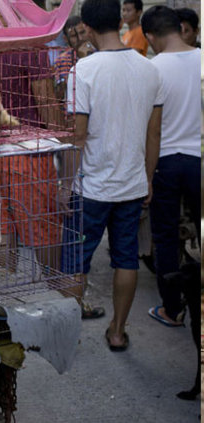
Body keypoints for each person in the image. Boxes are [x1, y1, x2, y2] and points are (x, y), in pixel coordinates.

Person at [61, 0, 162, 351]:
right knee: (125, 257)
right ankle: (118, 331)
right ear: (120, 21)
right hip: (132, 183)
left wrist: (65, 184)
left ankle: (69, 333)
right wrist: (147, 178)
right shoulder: (149, 69)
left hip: (90, 186)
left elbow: (78, 135)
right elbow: (154, 134)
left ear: (87, 28)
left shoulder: (83, 71)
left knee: (76, 259)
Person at [141, 5, 201, 400]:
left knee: (164, 237)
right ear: (181, 27)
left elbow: (153, 129)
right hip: (199, 160)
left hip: (166, 162)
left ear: (149, 36)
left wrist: (146, 179)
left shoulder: (152, 69)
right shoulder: (201, 58)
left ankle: (172, 309)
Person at [53, 16, 94, 100]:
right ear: (65, 39)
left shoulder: (98, 55)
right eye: (74, 36)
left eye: (82, 32)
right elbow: (57, 96)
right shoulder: (61, 61)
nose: (80, 38)